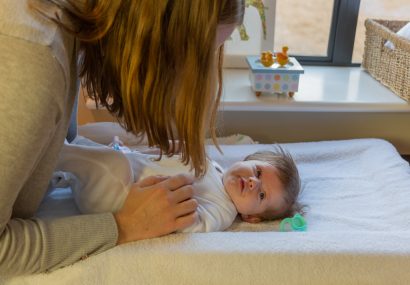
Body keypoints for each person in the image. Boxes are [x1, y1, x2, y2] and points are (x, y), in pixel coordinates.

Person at [0, 0, 245, 276]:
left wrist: (129, 162)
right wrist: (123, 225)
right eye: (196, 63)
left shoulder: (65, 32)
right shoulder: (35, 61)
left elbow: (60, 149)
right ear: (155, 39)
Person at [54, 140, 302, 232]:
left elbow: (194, 224)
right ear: (244, 160)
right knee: (93, 149)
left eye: (261, 194)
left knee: (111, 164)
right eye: (257, 171)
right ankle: (58, 175)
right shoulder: (211, 164)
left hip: (121, 199)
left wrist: (187, 213)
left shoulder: (223, 211)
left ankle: (53, 153)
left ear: (251, 217)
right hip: (121, 172)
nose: (252, 181)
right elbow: (164, 158)